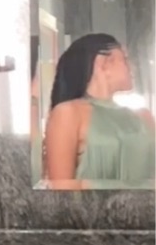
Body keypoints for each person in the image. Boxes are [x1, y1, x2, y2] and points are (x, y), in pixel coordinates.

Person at [43, 32, 155, 189]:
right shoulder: (68, 114)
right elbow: (60, 190)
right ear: (103, 63)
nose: (133, 67)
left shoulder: (144, 116)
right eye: (125, 59)